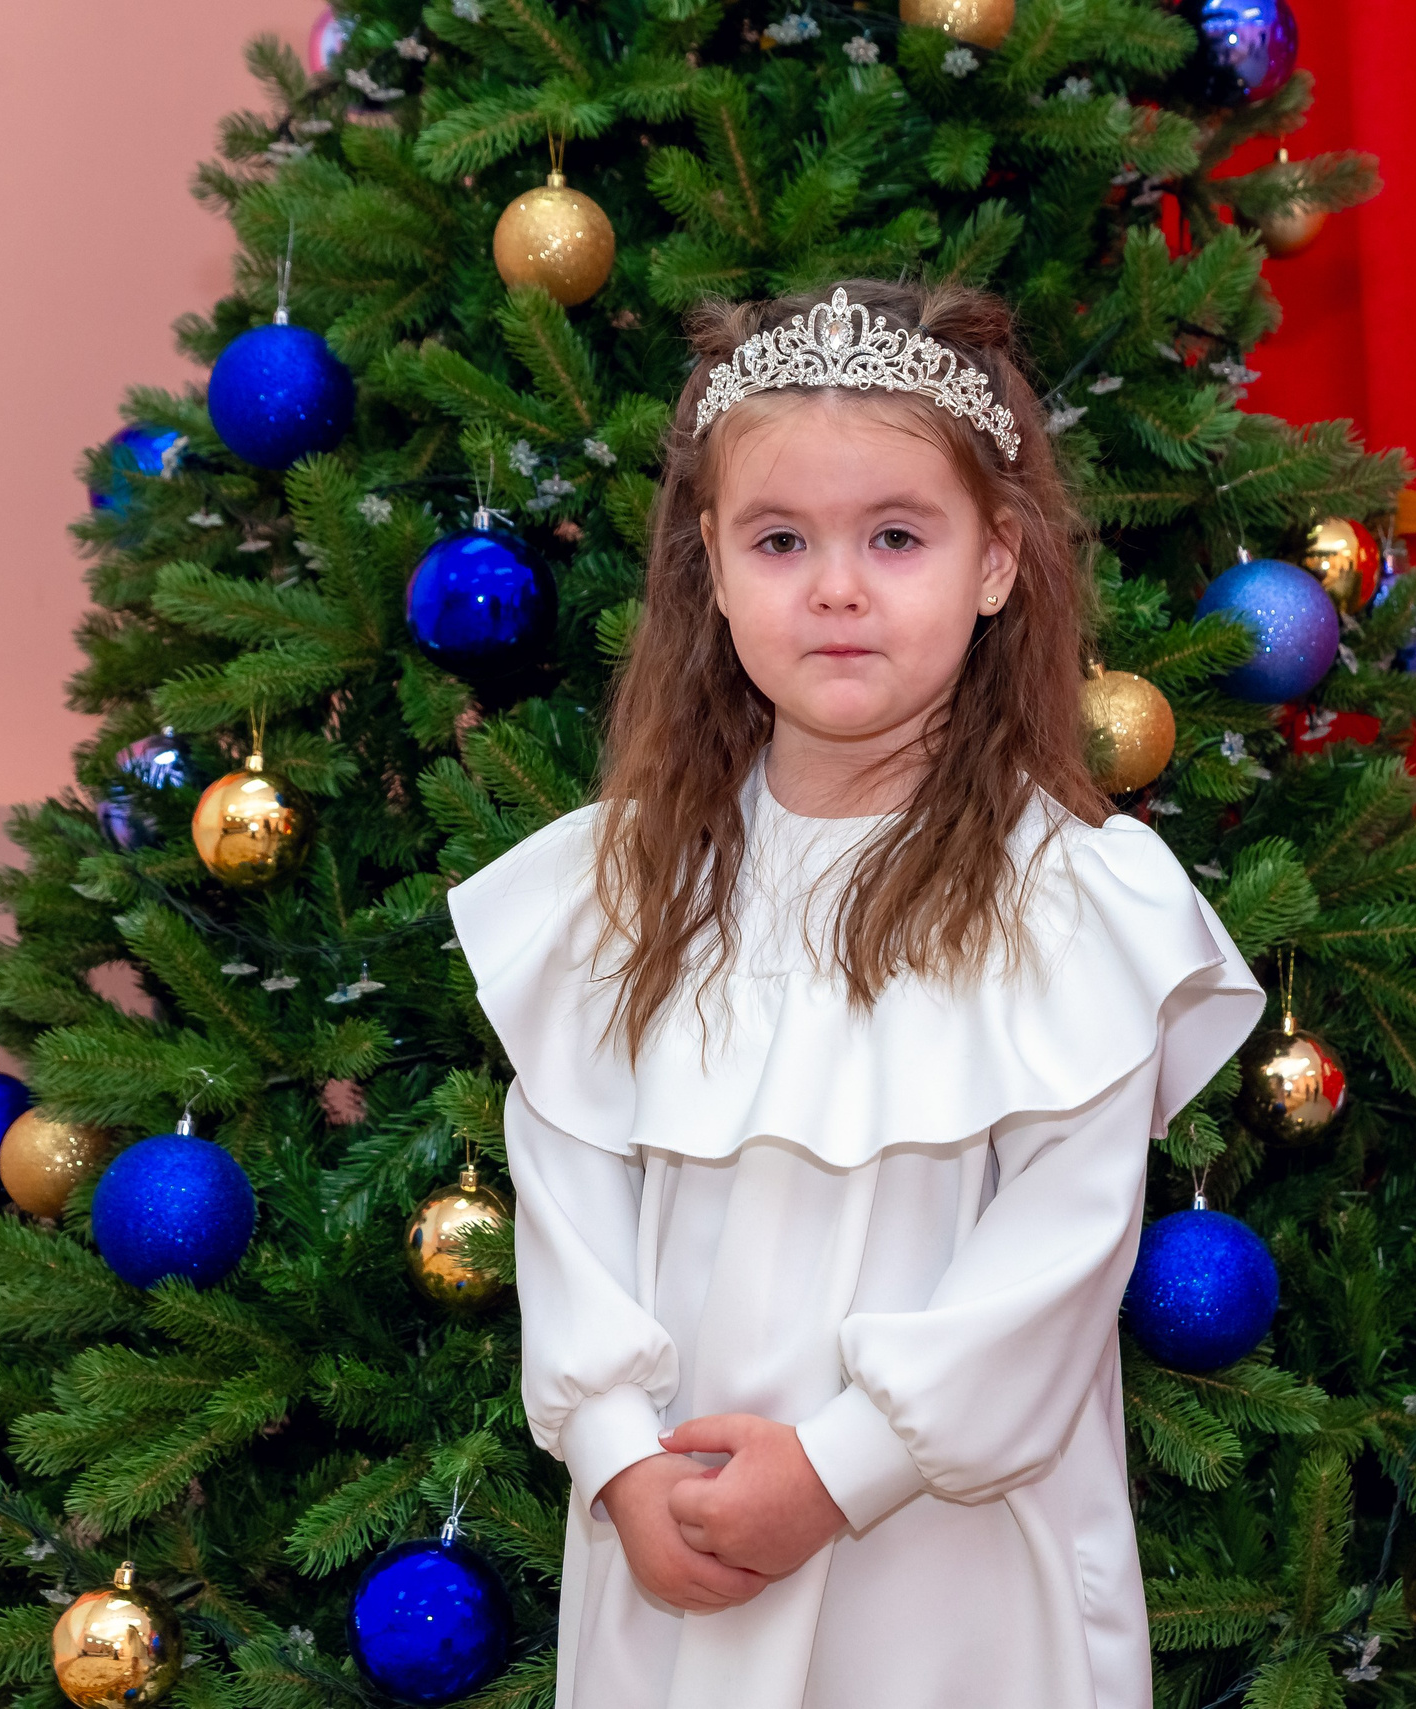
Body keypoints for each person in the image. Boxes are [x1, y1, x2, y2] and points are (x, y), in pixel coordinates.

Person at [448, 278, 1263, 1709]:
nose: (837, 586)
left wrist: (840, 1471)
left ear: (996, 560)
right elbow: (566, 1189)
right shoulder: (622, 885)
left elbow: (1058, 1256)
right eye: (781, 539)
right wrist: (623, 1455)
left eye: (896, 536)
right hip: (674, 1548)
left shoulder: (1071, 899)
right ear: (710, 560)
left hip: (942, 1562)